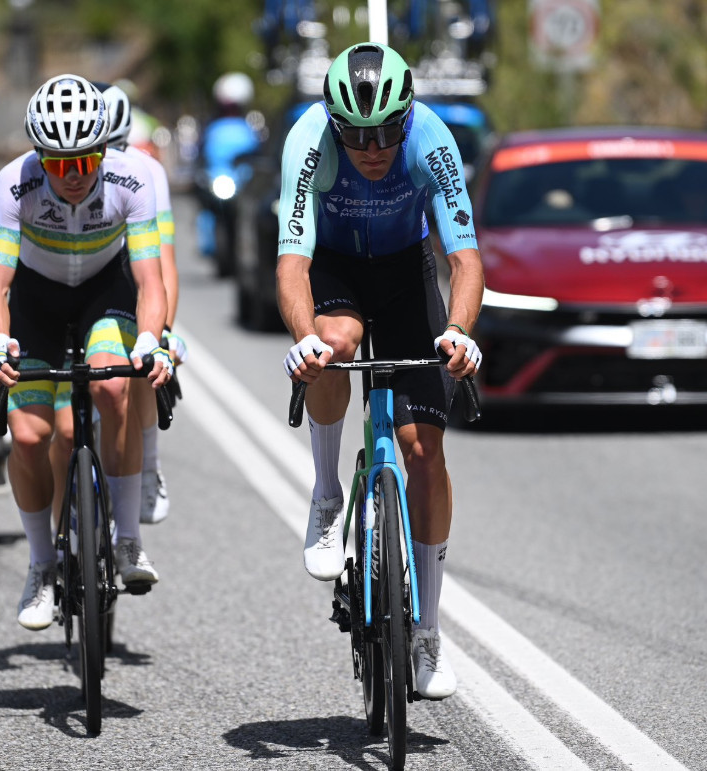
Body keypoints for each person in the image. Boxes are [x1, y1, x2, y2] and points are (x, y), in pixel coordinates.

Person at [276, 43, 484, 700]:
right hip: (334, 269)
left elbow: (465, 259)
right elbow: (290, 264)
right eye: (357, 134)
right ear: (334, 121)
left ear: (407, 117)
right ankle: (326, 492)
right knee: (334, 343)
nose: (373, 146)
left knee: (424, 452)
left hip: (404, 274)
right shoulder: (308, 139)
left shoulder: (431, 137)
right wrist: (304, 339)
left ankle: (425, 630)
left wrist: (458, 332)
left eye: (386, 131)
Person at [0, 74, 174, 631]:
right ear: (40, 157)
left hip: (104, 293)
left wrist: (149, 339)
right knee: (30, 435)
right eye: (58, 164)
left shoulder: (129, 175)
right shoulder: (13, 184)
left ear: (101, 152)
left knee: (114, 386)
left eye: (83, 161)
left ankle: (129, 542)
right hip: (36, 302)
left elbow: (150, 281)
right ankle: (41, 565)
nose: (72, 176)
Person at [44, 81, 184, 525]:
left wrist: (161, 334)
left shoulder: (144, 172)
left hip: (126, 278)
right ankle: (58, 537)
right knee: (63, 433)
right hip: (69, 283)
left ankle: (148, 468)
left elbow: (164, 265)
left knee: (141, 367)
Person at [196, 72, 260, 260]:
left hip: (241, 183)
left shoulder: (249, 130)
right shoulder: (212, 129)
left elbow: (254, 156)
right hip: (218, 181)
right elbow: (202, 156)